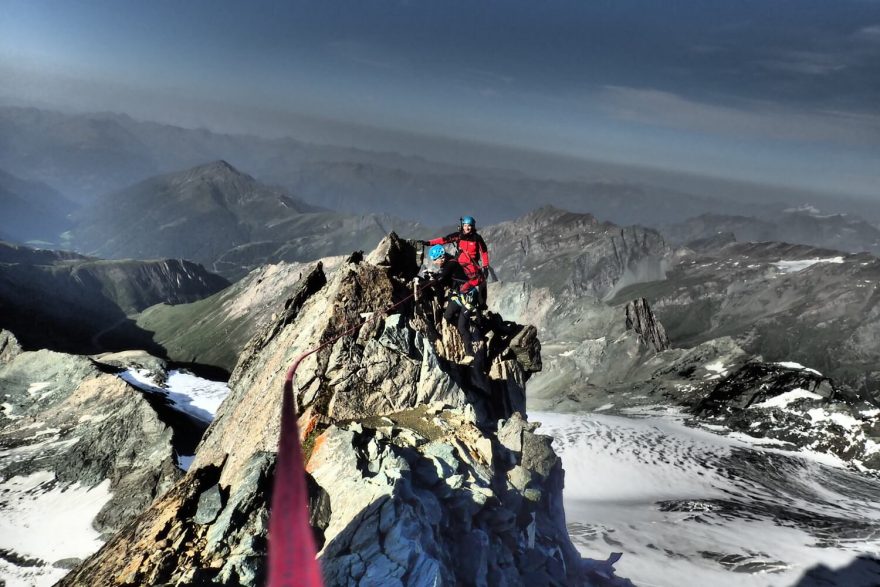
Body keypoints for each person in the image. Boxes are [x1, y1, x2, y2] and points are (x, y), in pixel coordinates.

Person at [425, 244, 482, 365]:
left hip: (469, 297)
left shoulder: (451, 264)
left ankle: (470, 354)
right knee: (447, 315)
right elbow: (445, 278)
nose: (434, 262)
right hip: (461, 295)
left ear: (441, 257)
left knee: (462, 326)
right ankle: (465, 324)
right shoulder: (449, 263)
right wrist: (433, 276)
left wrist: (425, 282)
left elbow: (441, 279)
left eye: (435, 260)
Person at [420, 216, 490, 307]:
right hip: (460, 264)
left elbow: (484, 252)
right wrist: (429, 243)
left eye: (469, 226)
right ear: (462, 225)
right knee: (480, 281)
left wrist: (485, 266)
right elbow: (444, 240)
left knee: (482, 281)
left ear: (473, 226)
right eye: (465, 225)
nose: (467, 228)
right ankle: (478, 303)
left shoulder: (477, 238)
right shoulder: (459, 236)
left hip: (471, 265)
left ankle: (481, 304)